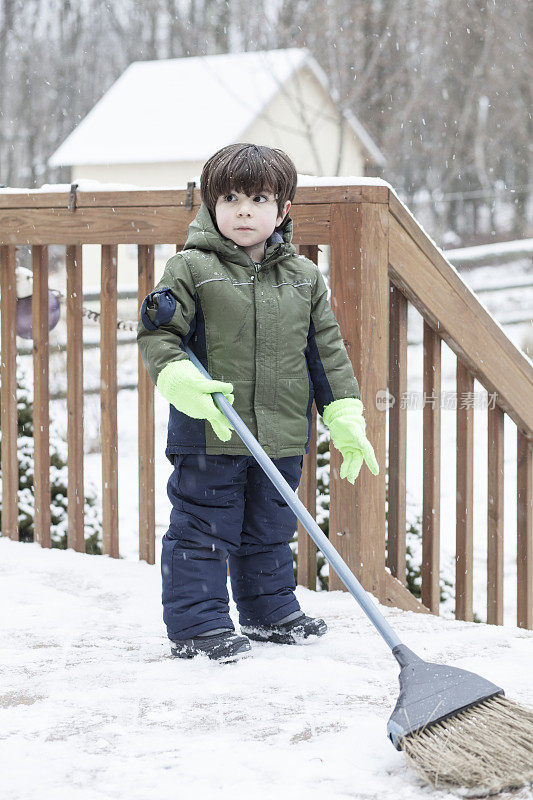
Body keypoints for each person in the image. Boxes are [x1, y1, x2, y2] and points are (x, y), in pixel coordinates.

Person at [137, 143, 379, 662]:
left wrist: (344, 415)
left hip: (282, 434)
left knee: (269, 528)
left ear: (284, 209)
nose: (244, 210)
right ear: (210, 205)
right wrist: (178, 378)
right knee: (202, 528)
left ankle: (269, 611)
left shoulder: (305, 279)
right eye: (230, 197)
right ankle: (198, 626)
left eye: (259, 197)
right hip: (211, 432)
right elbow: (160, 338)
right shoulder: (189, 268)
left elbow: (327, 355)